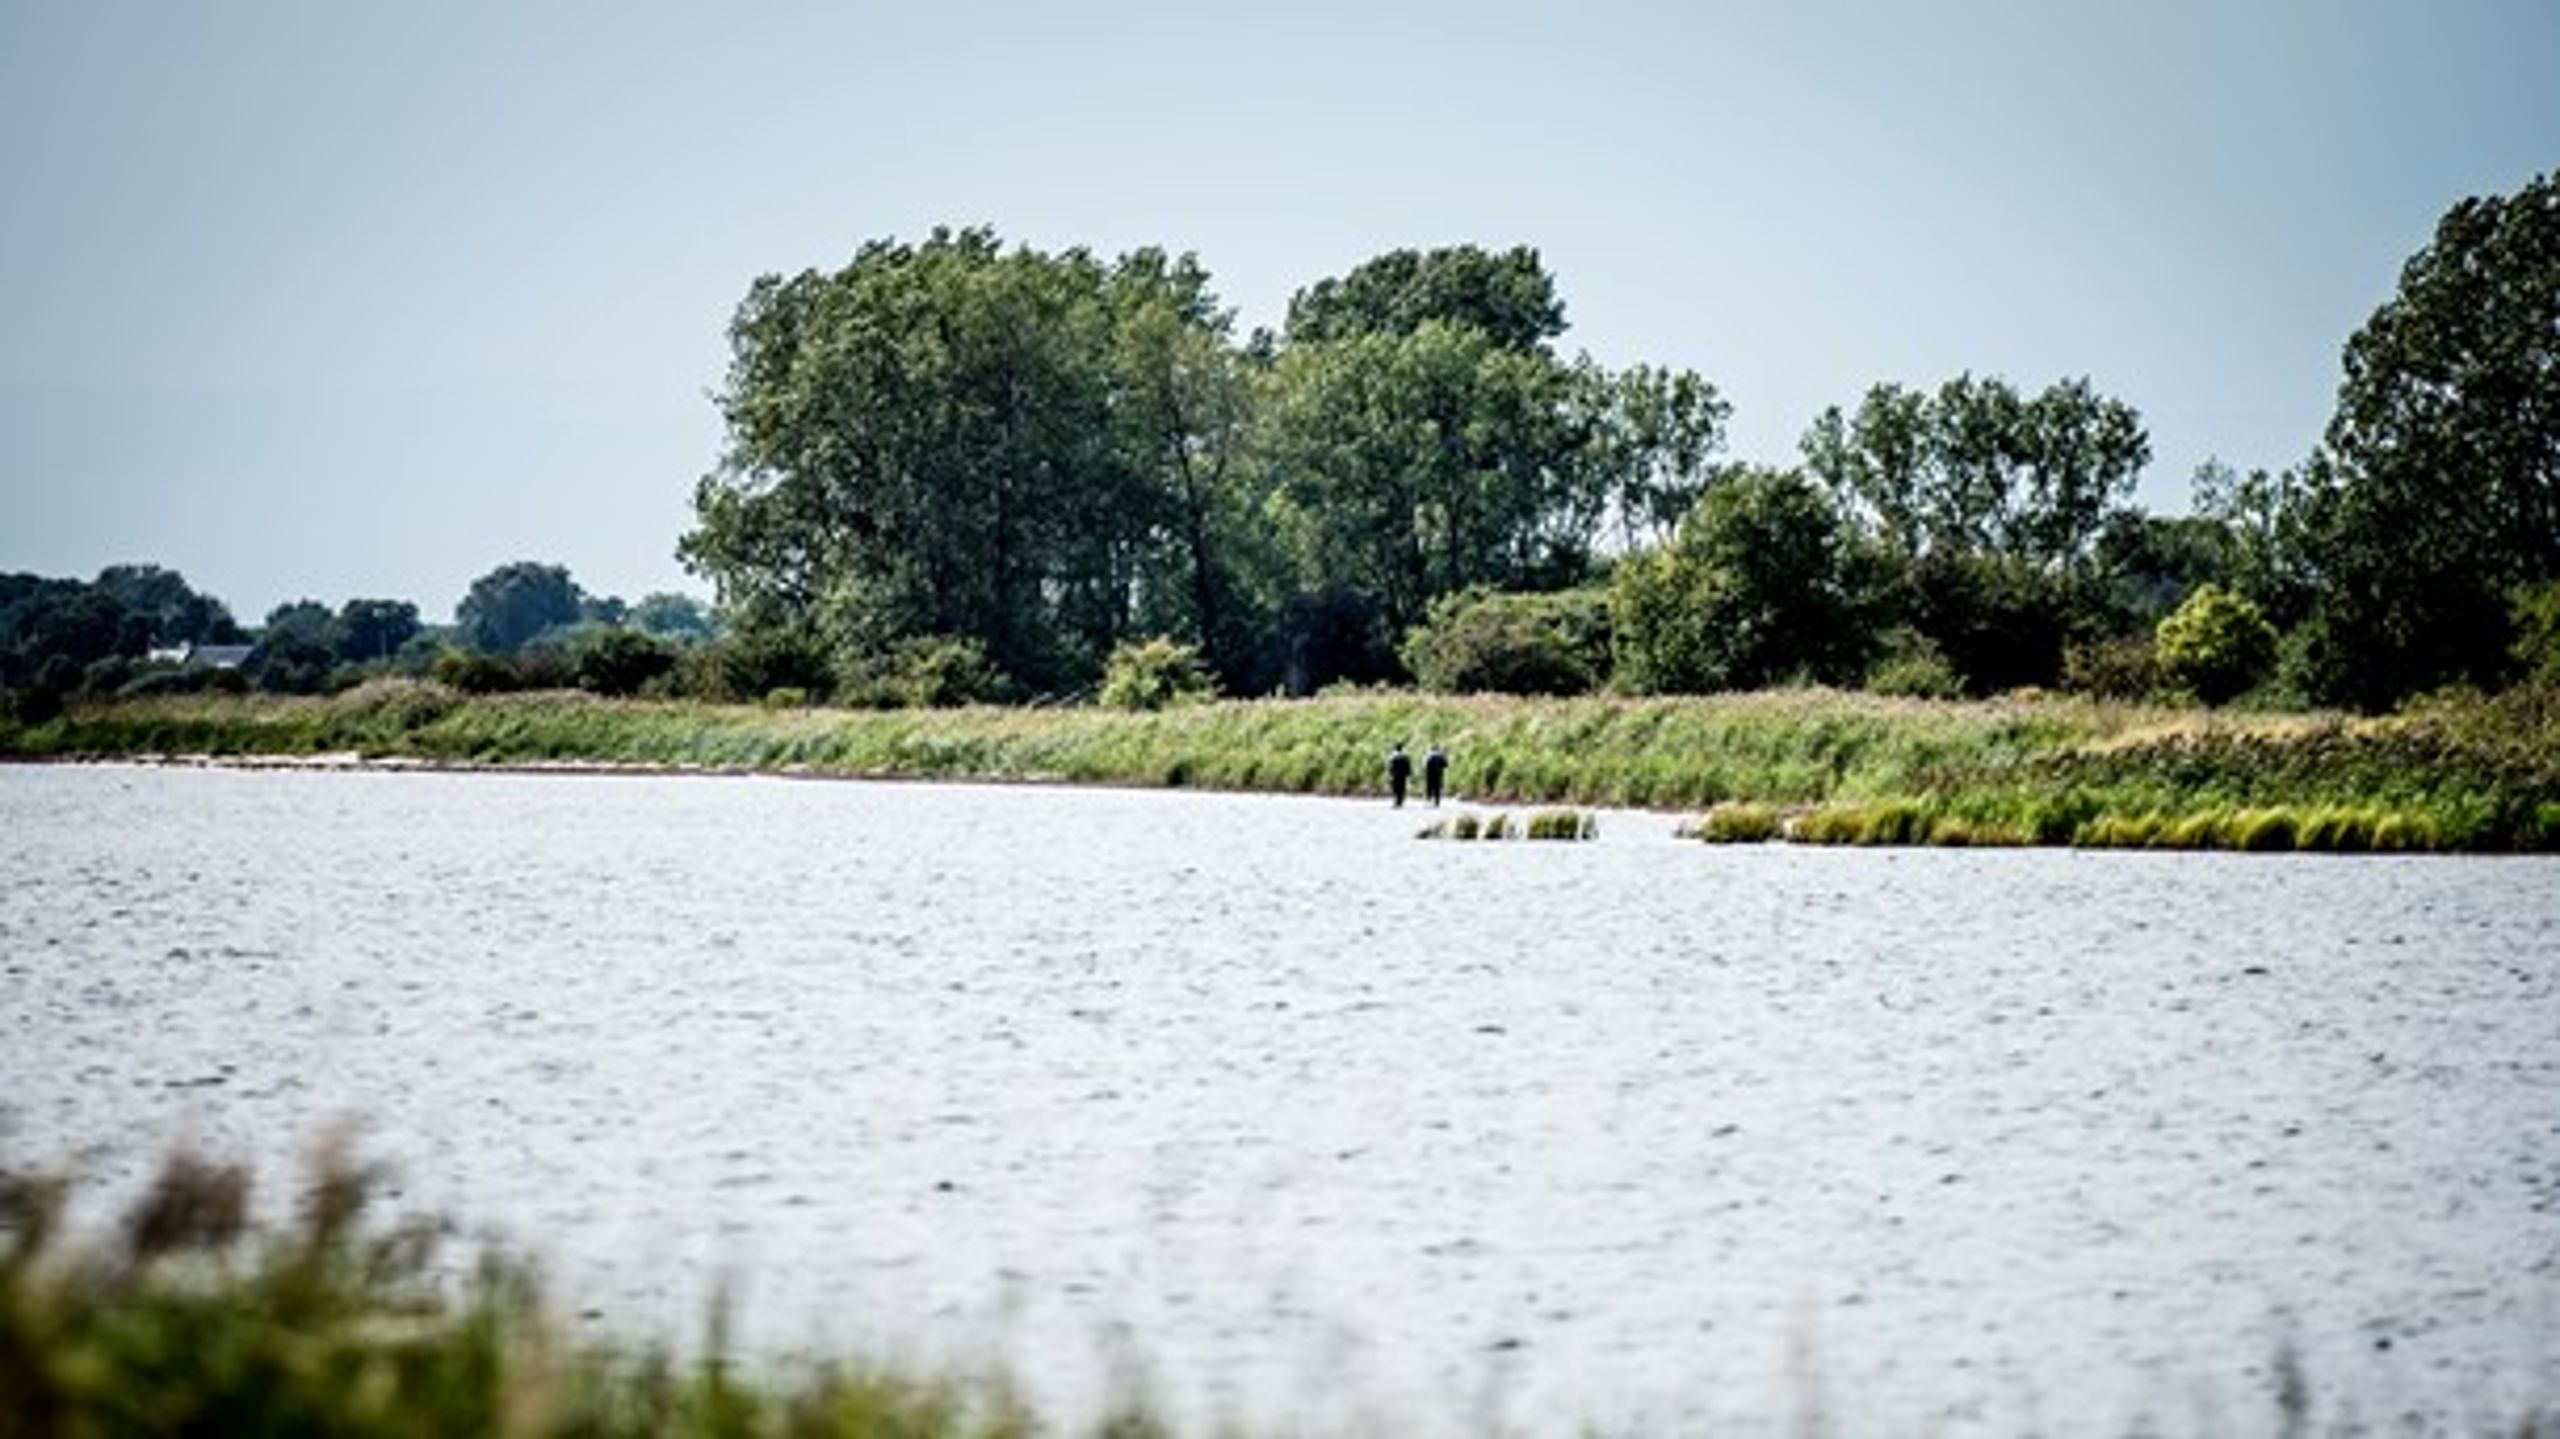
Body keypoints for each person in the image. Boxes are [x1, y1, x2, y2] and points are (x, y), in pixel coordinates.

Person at [1386, 742, 1413, 807]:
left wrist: (1390, 774)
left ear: (1395, 749)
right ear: (1402, 749)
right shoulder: (1405, 757)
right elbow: (1408, 766)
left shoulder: (1393, 757)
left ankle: (1396, 800)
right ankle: (1400, 800)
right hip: (1403, 775)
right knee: (1402, 787)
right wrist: (1408, 774)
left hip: (1395, 775)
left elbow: (1390, 767)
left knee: (1395, 787)